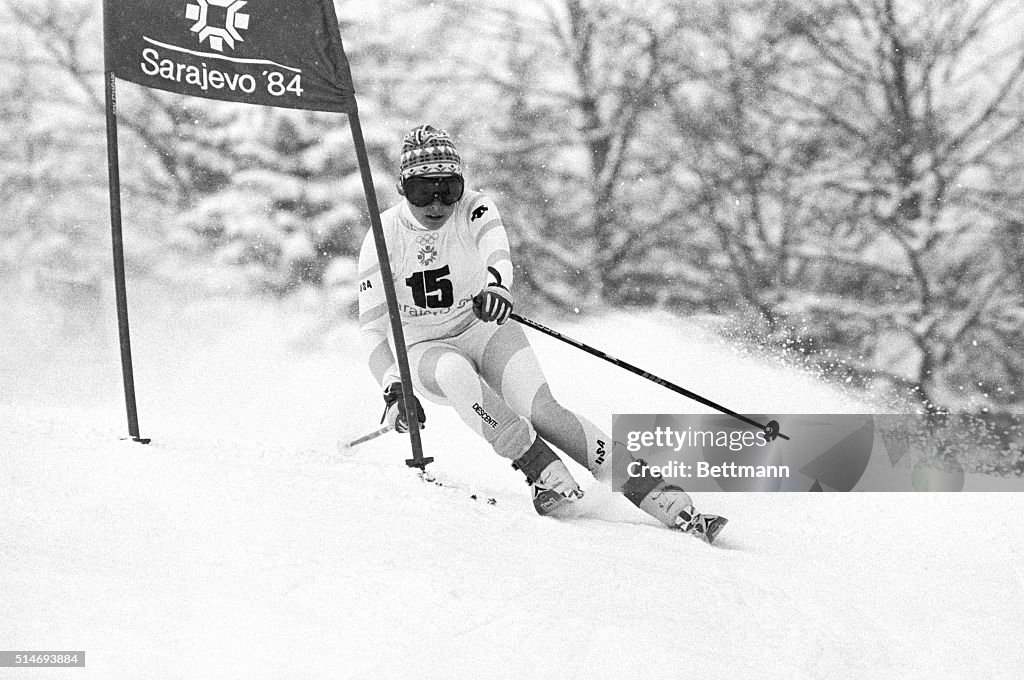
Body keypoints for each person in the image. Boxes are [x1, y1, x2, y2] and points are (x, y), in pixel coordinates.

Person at [357, 124, 723, 539]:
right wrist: (393, 387)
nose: (438, 203)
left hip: (482, 326)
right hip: (424, 346)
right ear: (404, 187)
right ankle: (543, 474)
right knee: (455, 373)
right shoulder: (384, 235)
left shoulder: (474, 208)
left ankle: (659, 494)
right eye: (425, 191)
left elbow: (496, 250)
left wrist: (497, 286)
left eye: (449, 188)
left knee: (545, 412)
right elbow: (371, 328)